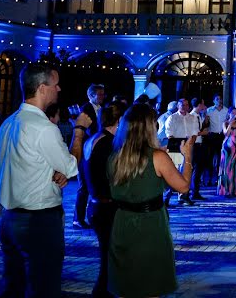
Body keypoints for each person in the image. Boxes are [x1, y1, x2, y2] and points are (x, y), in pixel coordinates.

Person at [0, 62, 92, 297]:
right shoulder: (43, 127)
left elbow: (10, 166)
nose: (59, 90)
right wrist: (79, 130)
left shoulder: (9, 123)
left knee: (14, 286)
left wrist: (49, 171)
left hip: (9, 219)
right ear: (41, 88)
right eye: (55, 84)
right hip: (38, 221)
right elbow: (71, 166)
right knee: (44, 287)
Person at [107, 103, 194, 297]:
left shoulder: (115, 156)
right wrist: (188, 157)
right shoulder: (157, 157)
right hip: (150, 225)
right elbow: (184, 186)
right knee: (150, 285)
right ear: (149, 127)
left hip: (122, 222)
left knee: (126, 284)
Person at [83, 101, 125, 298]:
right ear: (118, 120)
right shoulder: (109, 143)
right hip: (107, 206)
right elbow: (116, 177)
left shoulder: (93, 139)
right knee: (110, 260)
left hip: (96, 205)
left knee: (108, 257)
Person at [74, 83, 106, 229]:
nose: (102, 97)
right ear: (91, 95)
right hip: (86, 150)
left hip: (95, 150)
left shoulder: (101, 109)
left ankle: (88, 216)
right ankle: (77, 218)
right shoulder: (86, 109)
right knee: (84, 186)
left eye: (102, 94)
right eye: (99, 94)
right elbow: (87, 130)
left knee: (92, 185)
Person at [218, 108, 236, 196]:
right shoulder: (225, 123)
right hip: (227, 149)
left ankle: (235, 190)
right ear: (229, 113)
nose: (234, 114)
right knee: (227, 168)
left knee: (235, 169)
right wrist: (231, 123)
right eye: (232, 112)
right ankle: (225, 190)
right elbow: (226, 133)